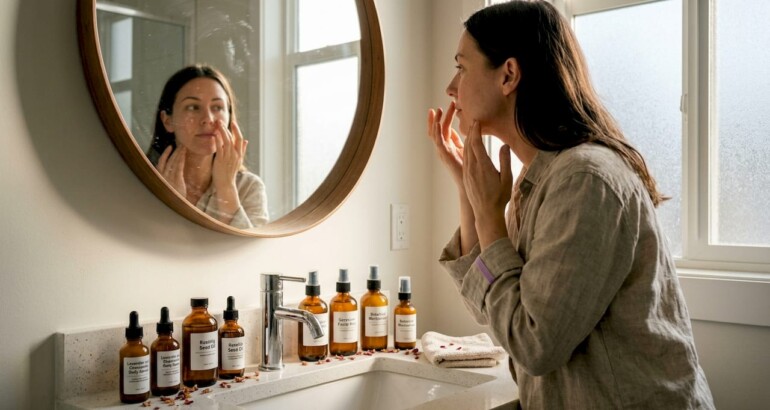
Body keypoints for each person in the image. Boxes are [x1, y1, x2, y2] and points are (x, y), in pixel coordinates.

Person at [427, 1, 714, 409]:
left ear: (508, 75)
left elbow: (534, 344)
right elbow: (492, 309)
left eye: (461, 66)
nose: (451, 88)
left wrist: (490, 216)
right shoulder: (539, 178)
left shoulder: (584, 181)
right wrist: (467, 190)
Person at [147, 64, 268, 229]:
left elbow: (252, 254)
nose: (208, 119)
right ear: (167, 120)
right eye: (193, 107)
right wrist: (171, 203)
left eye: (217, 107)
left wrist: (226, 188)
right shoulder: (142, 182)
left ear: (229, 117)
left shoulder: (248, 187)